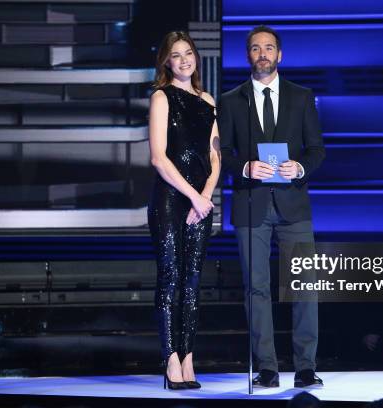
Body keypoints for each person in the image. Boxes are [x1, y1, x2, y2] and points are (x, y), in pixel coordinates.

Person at [219, 25, 326, 388]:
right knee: (257, 288)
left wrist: (300, 167)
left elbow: (316, 149)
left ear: (280, 55)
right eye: (254, 48)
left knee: (305, 286)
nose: (262, 54)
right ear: (247, 55)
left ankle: (306, 366)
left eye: (268, 48)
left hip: (294, 205)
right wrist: (245, 168)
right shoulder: (231, 100)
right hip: (252, 204)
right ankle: (267, 366)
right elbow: (224, 154)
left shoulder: (301, 96)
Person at [148, 31, 220, 390]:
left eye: (188, 53)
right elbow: (158, 158)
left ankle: (189, 357)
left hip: (199, 202)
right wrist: (193, 196)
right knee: (171, 277)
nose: (184, 60)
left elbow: (214, 155)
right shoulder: (162, 97)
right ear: (167, 62)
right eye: (176, 55)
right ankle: (170, 361)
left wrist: (205, 197)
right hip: (170, 199)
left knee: (192, 282)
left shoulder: (207, 100)